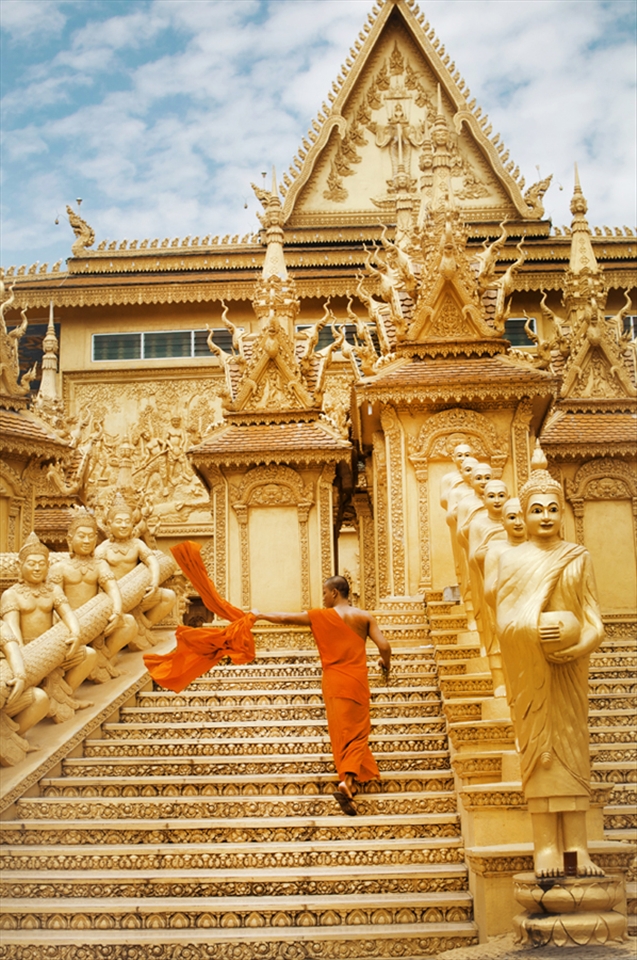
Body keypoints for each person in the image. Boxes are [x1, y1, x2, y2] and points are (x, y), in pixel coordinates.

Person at [495, 459, 605, 878]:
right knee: (540, 756)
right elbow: (504, 623)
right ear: (523, 514)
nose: (545, 516)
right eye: (536, 509)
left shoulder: (578, 558)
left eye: (552, 508)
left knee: (573, 750)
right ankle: (544, 849)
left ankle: (577, 849)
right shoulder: (511, 561)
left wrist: (579, 643)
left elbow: (596, 622)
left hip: (570, 670)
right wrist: (533, 629)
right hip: (532, 670)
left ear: (563, 513)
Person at [252, 575, 391, 816]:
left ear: (335, 593)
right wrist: (385, 664)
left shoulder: (320, 616)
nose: (323, 597)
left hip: (333, 682)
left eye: (325, 593)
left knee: (342, 732)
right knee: (358, 732)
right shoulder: (364, 617)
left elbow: (285, 618)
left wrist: (260, 614)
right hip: (356, 681)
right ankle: (348, 782)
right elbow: (385, 647)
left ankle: (347, 782)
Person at [49, 509, 138, 676]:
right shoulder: (59, 568)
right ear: (70, 539)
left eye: (91, 537)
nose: (86, 541)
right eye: (81, 536)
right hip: (68, 623)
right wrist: (70, 625)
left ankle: (101, 659)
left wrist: (117, 611)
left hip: (95, 621)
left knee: (128, 622)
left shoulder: (100, 565)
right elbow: (56, 602)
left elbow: (112, 588)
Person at [96, 493, 176, 639]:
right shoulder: (103, 549)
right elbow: (101, 576)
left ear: (133, 523)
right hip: (113, 598)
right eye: (119, 521)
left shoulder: (137, 544)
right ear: (109, 524)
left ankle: (144, 626)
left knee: (169, 596)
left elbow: (152, 561)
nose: (124, 525)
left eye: (127, 521)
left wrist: (154, 583)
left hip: (137, 595)